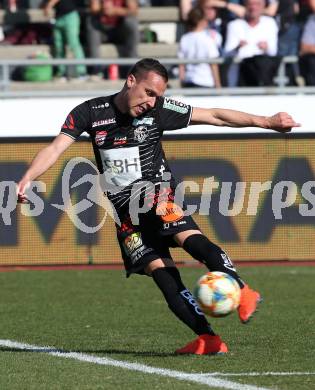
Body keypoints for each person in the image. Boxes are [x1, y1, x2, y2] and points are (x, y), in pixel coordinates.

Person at [16, 58, 300, 355]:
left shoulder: (161, 110)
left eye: (157, 96)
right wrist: (27, 178)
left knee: (187, 238)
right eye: (149, 92)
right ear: (131, 81)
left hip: (157, 195)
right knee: (162, 274)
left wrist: (266, 122)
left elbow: (215, 115)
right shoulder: (90, 112)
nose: (152, 102)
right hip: (125, 215)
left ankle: (243, 290)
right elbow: (55, 147)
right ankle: (209, 339)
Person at [224, 0, 279, 86]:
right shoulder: (234, 25)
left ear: (264, 6)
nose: (253, 7)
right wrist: (237, 47)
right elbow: (227, 54)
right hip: (240, 78)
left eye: (257, 4)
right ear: (245, 5)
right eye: (250, 4)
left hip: (262, 77)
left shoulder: (270, 23)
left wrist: (266, 47)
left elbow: (273, 52)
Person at [86, 0, 139, 80]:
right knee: (91, 21)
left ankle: (133, 68)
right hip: (101, 29)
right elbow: (94, 8)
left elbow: (134, 10)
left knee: (131, 21)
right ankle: (95, 70)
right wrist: (103, 9)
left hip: (120, 29)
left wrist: (115, 10)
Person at [43, 0, 87, 81]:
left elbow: (51, 3)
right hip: (58, 17)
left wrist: (49, 5)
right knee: (59, 47)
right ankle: (61, 73)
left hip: (70, 16)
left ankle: (81, 72)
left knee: (73, 44)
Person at [178, 7, 221, 88]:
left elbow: (181, 65)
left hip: (188, 82)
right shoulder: (208, 39)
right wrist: (218, 85)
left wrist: (182, 83)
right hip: (206, 82)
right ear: (202, 20)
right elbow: (213, 64)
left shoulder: (184, 38)